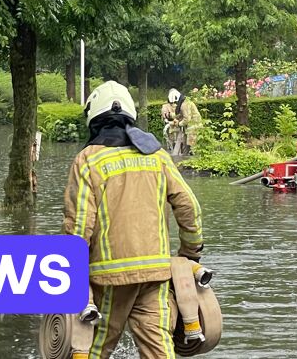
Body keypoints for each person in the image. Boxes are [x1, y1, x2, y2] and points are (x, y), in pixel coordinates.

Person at [63, 81, 204, 359]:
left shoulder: (88, 161)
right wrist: (189, 255)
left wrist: (71, 275)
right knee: (159, 350)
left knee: (93, 346)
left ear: (94, 118)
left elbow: (78, 228)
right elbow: (190, 207)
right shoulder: (158, 157)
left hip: (109, 277)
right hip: (157, 274)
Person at [161, 88, 202, 155]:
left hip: (193, 127)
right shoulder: (183, 103)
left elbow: (187, 119)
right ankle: (183, 159)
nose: (174, 104)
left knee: (193, 147)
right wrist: (170, 115)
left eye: (174, 102)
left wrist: (179, 124)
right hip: (190, 128)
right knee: (186, 145)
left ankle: (193, 160)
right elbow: (179, 114)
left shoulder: (184, 105)